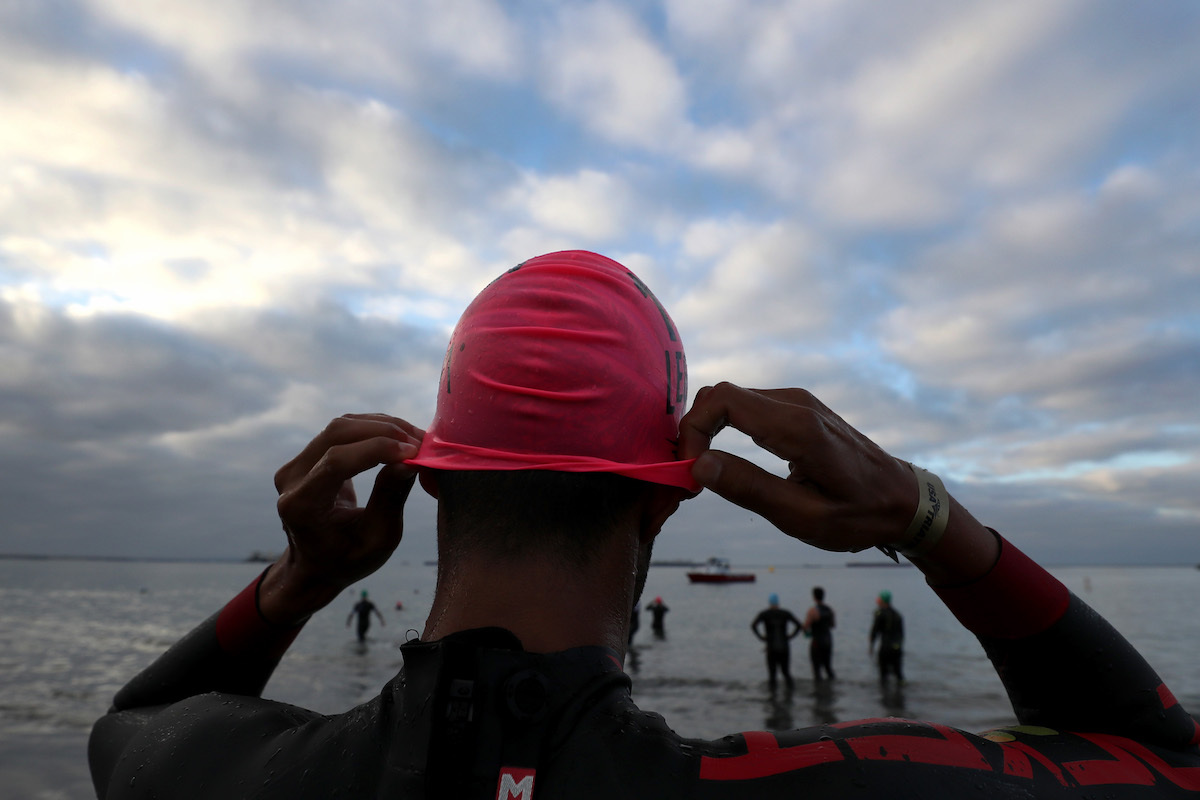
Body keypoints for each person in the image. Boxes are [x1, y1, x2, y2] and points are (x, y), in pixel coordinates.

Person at [90, 251, 1200, 799]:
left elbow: (134, 723)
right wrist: (920, 513)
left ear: (429, 481)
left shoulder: (245, 773)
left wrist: (294, 584)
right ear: (667, 492)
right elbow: (1158, 755)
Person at [751, 594, 804, 691]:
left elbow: (753, 626)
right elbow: (799, 625)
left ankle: (772, 698)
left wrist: (761, 637)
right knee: (786, 672)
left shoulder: (764, 614)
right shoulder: (785, 613)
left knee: (772, 675)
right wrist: (790, 636)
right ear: (778, 603)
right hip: (784, 646)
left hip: (771, 647)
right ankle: (790, 694)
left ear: (769, 603)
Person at [869, 590, 904, 684]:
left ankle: (884, 695)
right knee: (898, 673)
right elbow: (902, 634)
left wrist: (871, 646)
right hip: (897, 647)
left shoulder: (880, 614)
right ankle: (900, 693)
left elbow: (874, 631)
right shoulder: (897, 614)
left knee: (883, 674)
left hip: (885, 647)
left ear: (882, 600)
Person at [803, 586, 836, 680]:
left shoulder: (813, 611)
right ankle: (831, 688)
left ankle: (818, 692)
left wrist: (805, 630)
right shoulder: (830, 610)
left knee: (817, 670)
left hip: (817, 642)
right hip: (828, 641)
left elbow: (806, 627)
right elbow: (833, 625)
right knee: (828, 668)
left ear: (814, 597)